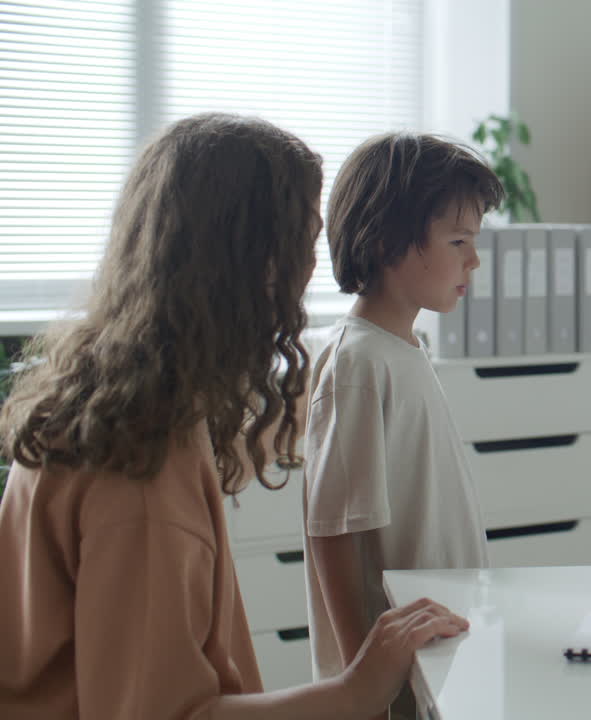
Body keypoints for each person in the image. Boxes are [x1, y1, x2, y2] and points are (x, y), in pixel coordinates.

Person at [0, 113, 469, 720]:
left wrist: (340, 376)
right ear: (253, 266)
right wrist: (357, 690)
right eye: (304, 243)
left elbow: (244, 447)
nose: (310, 275)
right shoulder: (142, 482)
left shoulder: (109, 404)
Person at [303, 132, 504, 719]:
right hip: (389, 688)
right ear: (390, 241)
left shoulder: (403, 347)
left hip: (433, 655)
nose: (473, 259)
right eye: (459, 240)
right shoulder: (360, 363)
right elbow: (335, 531)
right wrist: (363, 682)